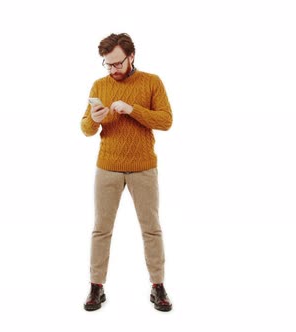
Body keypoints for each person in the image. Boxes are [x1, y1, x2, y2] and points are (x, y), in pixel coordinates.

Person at [81, 33, 173, 312]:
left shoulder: (152, 82)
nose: (113, 70)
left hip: (143, 167)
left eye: (117, 64)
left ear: (131, 56)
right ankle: (96, 287)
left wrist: (132, 109)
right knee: (101, 230)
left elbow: (166, 121)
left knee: (151, 229)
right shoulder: (99, 84)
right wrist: (93, 120)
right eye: (107, 65)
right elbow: (85, 128)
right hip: (107, 167)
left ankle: (158, 286)